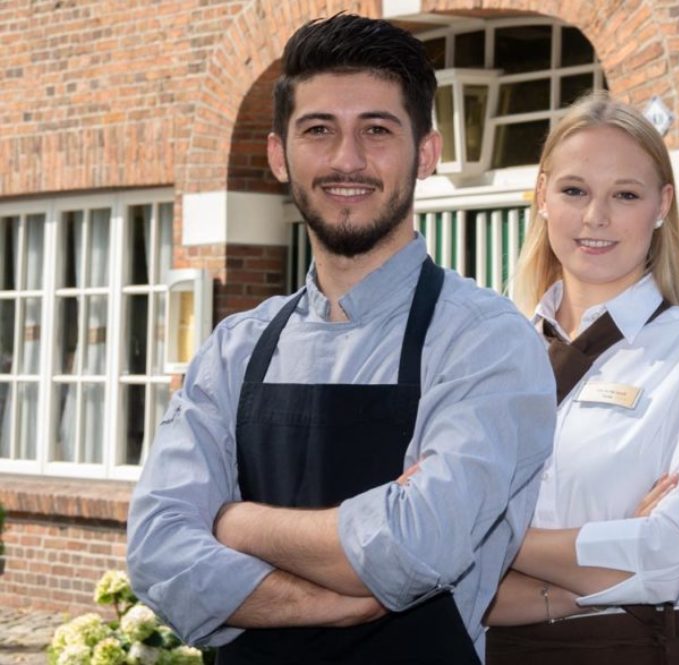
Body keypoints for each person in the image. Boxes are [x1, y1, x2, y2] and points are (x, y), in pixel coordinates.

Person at [126, 14, 556, 665]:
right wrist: (337, 599)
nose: (346, 159)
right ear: (280, 155)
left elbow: (416, 546)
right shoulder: (234, 349)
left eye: (377, 130)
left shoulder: (485, 341)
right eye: (318, 130)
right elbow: (157, 550)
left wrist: (234, 521)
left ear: (427, 154)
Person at [481, 93, 679, 665]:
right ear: (542, 196)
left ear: (662, 205)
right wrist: (602, 565)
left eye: (625, 195)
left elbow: (670, 554)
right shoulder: (488, 353)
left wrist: (486, 537)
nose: (596, 217)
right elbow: (424, 557)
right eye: (574, 191)